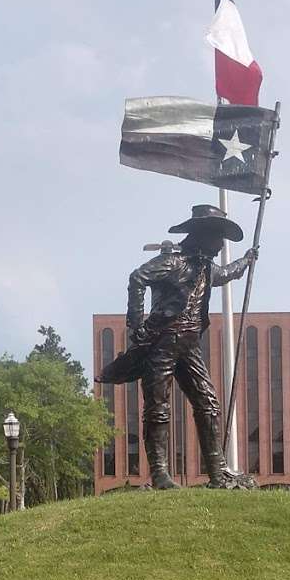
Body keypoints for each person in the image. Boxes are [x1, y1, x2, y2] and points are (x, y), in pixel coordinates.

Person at [97, 204, 256, 488]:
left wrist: (247, 260)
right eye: (218, 237)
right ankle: (160, 474)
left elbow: (227, 273)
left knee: (208, 403)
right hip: (162, 343)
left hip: (189, 346)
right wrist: (136, 324)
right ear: (202, 234)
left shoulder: (205, 266)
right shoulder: (172, 262)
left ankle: (218, 473)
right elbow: (137, 278)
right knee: (158, 407)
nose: (221, 245)